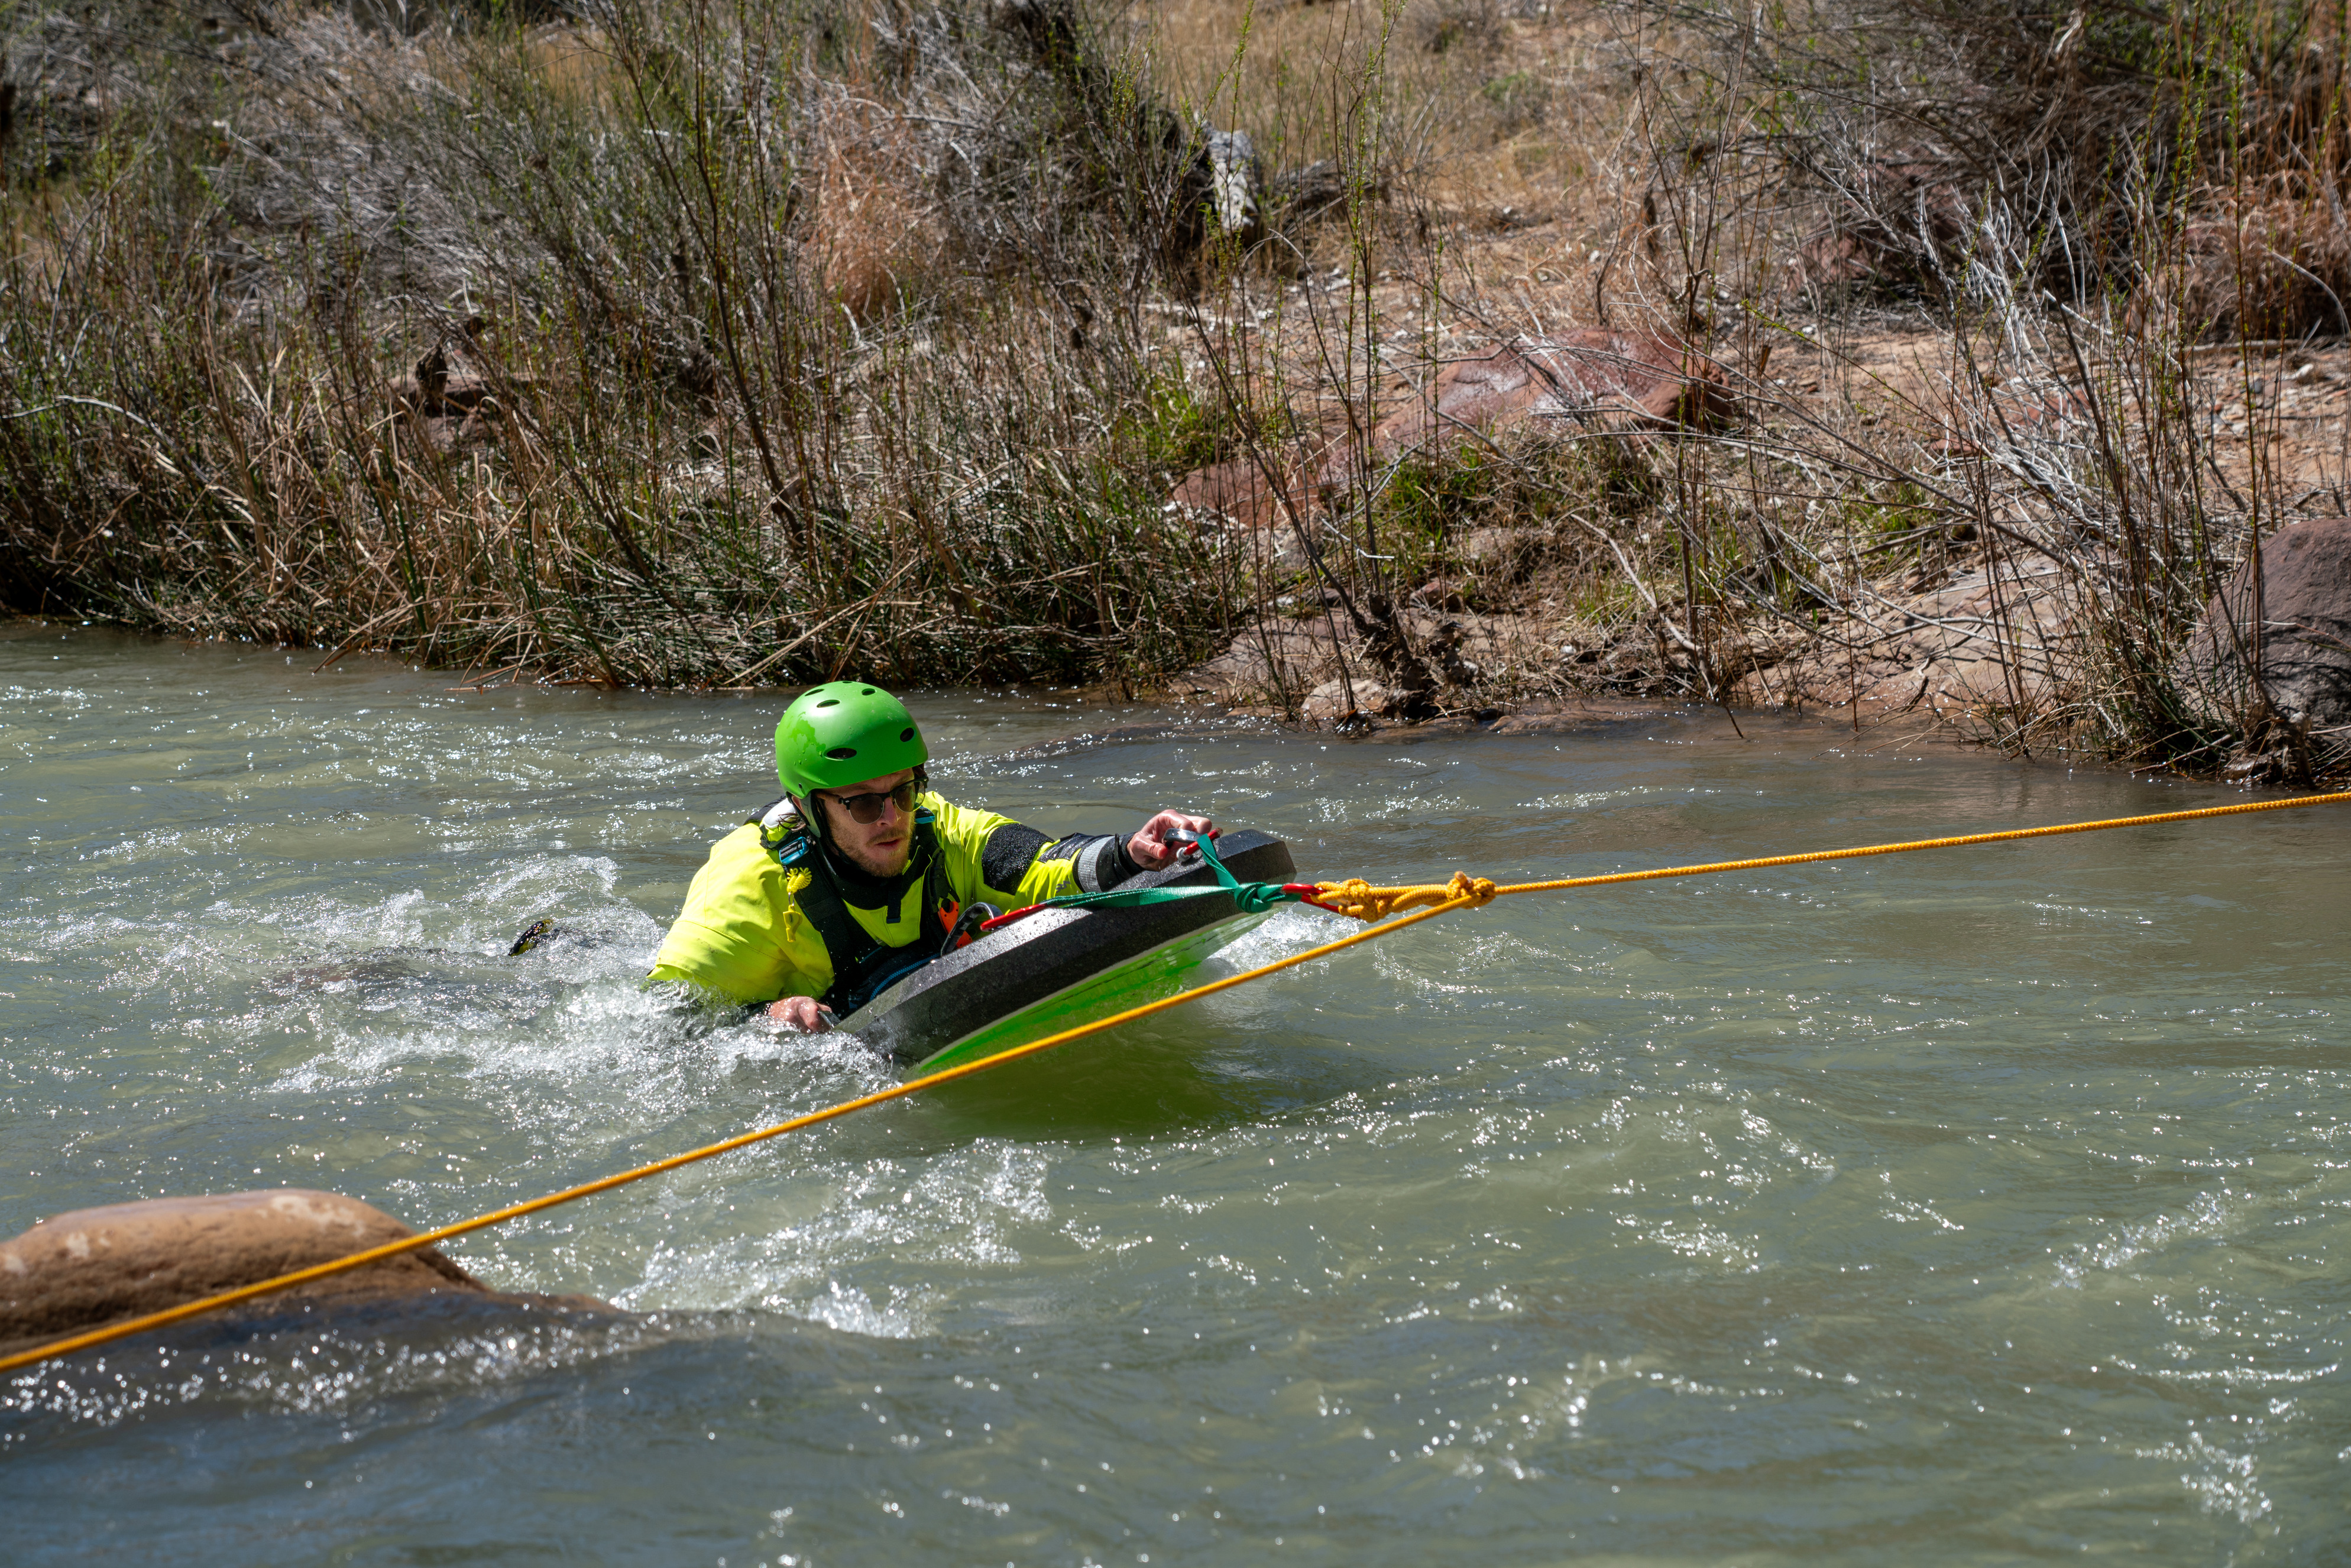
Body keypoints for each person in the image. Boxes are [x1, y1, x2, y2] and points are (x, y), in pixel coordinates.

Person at [649, 682, 1216, 1031]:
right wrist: (762, 1020)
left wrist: (1131, 855)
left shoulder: (937, 827)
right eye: (864, 804)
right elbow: (665, 1020)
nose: (893, 817)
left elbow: (1044, 864)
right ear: (808, 806)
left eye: (902, 790)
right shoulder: (749, 886)